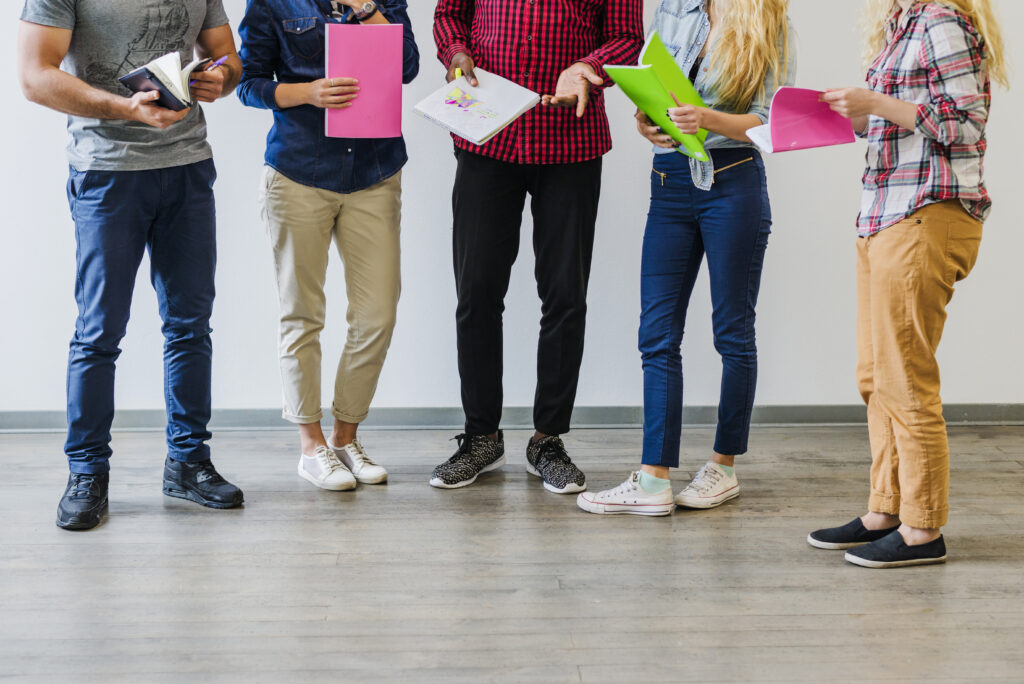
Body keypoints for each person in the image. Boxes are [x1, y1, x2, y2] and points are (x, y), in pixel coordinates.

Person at [18, 0, 245, 530]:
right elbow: (34, 76)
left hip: (187, 167)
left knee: (190, 326)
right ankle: (87, 472)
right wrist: (125, 108)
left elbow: (226, 57)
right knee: (99, 331)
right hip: (106, 173)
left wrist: (222, 78)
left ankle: (189, 464)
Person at [577, 0, 795, 516]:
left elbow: (769, 123)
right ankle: (654, 479)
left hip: (734, 181)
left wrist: (707, 118)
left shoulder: (769, 21)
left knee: (733, 332)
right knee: (656, 334)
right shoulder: (675, 9)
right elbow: (654, 89)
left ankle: (722, 468)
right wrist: (647, 123)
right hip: (670, 180)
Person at [808, 0, 1006, 568]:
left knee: (904, 376)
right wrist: (852, 115)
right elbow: (898, 122)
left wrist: (878, 103)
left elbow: (965, 123)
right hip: (885, 215)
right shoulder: (903, 24)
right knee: (876, 375)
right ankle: (885, 510)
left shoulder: (941, 21)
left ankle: (923, 527)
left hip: (927, 212)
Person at [429, 0, 644, 493]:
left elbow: (627, 38)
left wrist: (587, 68)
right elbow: (449, 14)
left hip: (571, 143)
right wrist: (457, 55)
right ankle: (481, 437)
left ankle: (548, 440)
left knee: (565, 295)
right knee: (477, 293)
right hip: (487, 138)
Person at [237, 0, 418, 491]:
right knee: (302, 315)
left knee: (377, 314)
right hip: (298, 173)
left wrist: (367, 10)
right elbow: (248, 84)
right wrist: (307, 92)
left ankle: (345, 437)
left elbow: (407, 67)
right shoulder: (272, 3)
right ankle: (311, 446)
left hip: (376, 172)